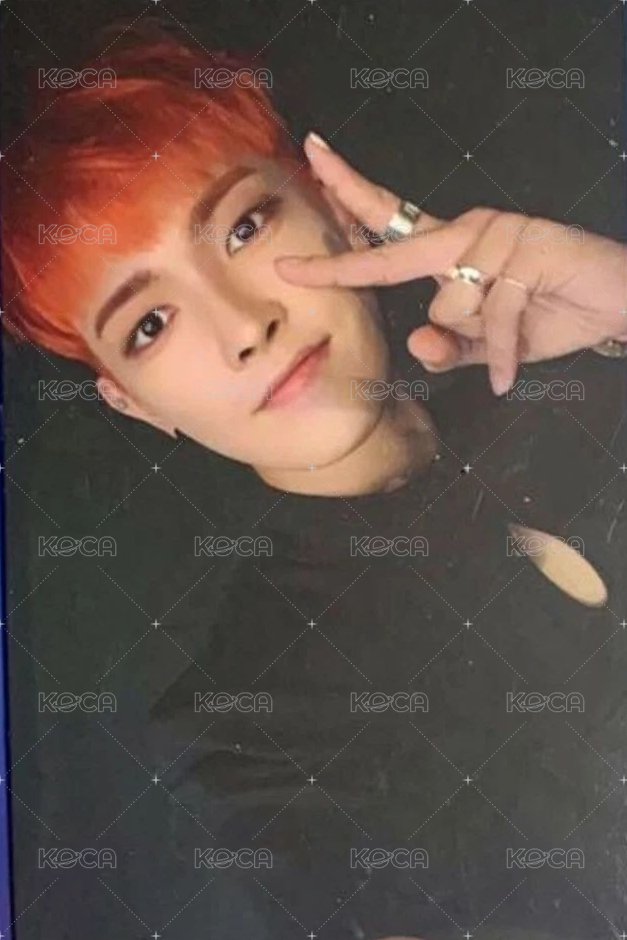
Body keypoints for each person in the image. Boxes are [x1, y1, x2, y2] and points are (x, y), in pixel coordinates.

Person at [3, 25, 627, 940]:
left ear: (331, 205)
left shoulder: (586, 371)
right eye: (149, 325)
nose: (243, 326)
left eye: (243, 227)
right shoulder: (262, 732)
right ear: (132, 402)